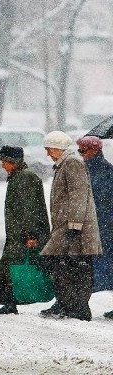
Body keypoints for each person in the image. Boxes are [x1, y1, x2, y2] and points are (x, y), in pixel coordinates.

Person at [39, 131, 102, 321]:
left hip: (75, 230)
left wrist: (74, 226)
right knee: (67, 269)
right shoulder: (65, 164)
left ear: (58, 148)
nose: (48, 153)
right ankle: (70, 305)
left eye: (49, 149)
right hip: (67, 228)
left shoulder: (72, 163)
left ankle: (77, 308)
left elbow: (78, 196)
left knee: (74, 270)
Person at [0, 146, 50, 315]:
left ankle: (10, 304)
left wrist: (32, 235)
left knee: (10, 267)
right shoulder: (18, 177)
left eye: (4, 162)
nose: (2, 165)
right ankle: (9, 303)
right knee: (8, 267)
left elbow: (29, 209)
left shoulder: (25, 178)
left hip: (23, 235)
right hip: (18, 234)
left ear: (13, 162)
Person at [77, 135, 113, 318]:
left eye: (83, 151)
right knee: (92, 266)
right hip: (97, 227)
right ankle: (76, 302)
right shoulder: (86, 170)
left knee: (89, 266)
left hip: (102, 228)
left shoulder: (102, 172)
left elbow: (102, 201)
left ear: (94, 151)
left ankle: (77, 303)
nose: (81, 154)